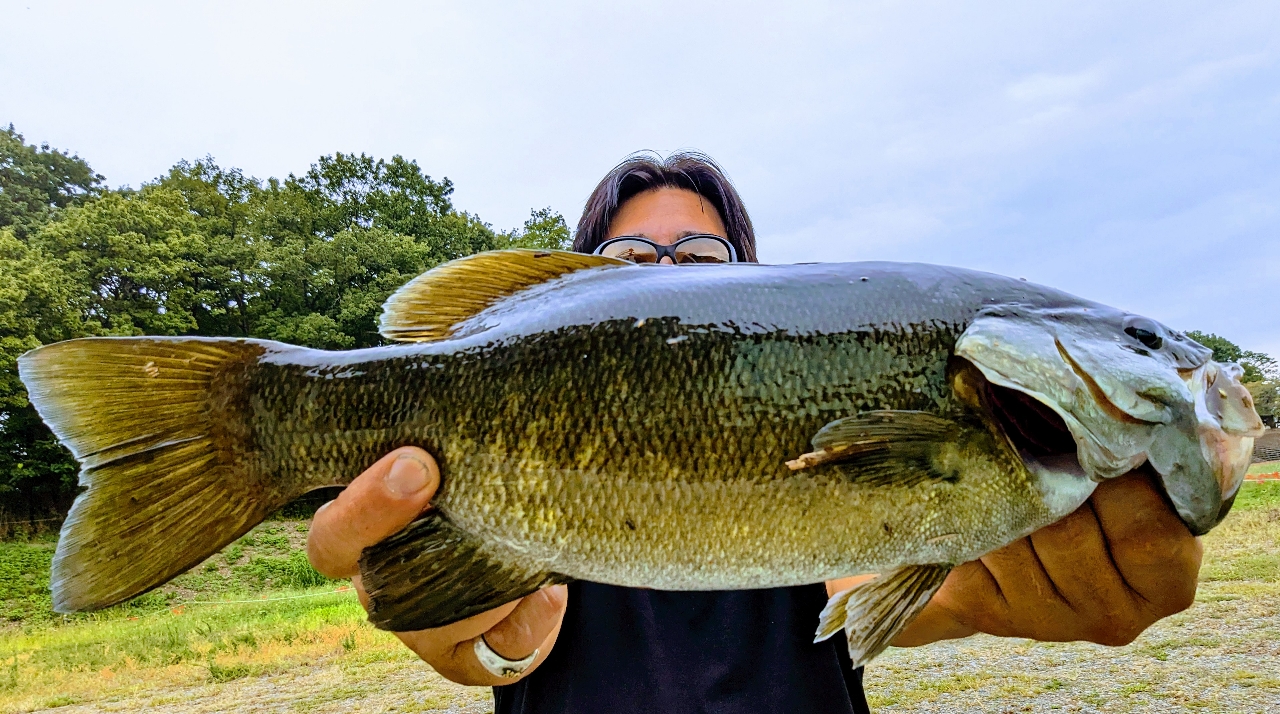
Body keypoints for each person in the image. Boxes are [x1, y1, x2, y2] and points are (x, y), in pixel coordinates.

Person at [306, 153, 1203, 712]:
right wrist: (493, 644)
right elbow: (492, 646)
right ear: (567, 287)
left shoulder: (826, 463)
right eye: (626, 259)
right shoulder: (503, 474)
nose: (664, 274)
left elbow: (885, 589)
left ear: (752, 290)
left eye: (701, 259)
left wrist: (975, 589)